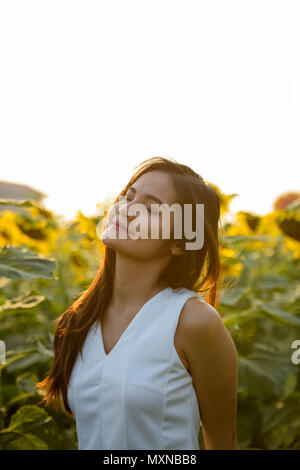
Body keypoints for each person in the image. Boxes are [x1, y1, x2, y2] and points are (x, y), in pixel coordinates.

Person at [36, 156, 238, 450]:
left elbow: (222, 441)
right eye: (127, 197)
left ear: (181, 242)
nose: (126, 211)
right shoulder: (79, 320)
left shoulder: (194, 322)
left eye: (150, 208)